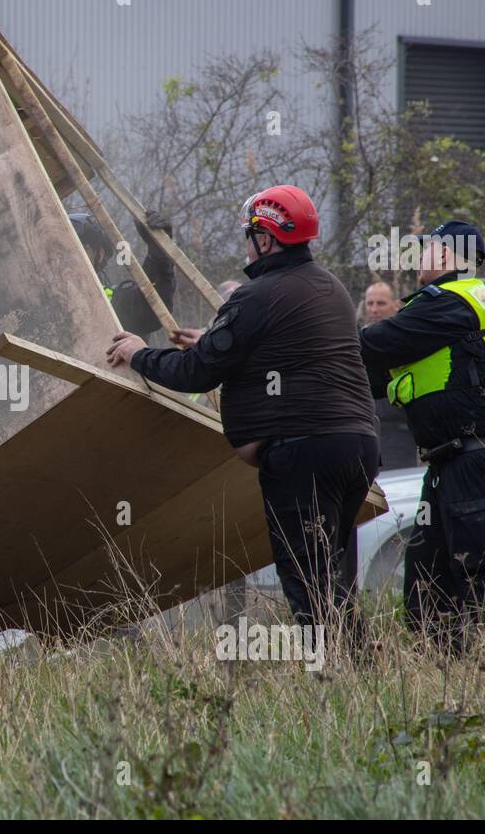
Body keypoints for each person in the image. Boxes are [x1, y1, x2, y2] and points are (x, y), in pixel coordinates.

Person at [105, 185, 378, 645]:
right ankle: (359, 665)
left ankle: (335, 675)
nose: (246, 246)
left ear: (267, 240)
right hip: (356, 448)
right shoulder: (328, 287)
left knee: (307, 582)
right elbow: (290, 351)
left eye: (250, 236)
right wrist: (214, 342)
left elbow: (196, 373)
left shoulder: (257, 295)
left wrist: (137, 354)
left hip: (302, 454)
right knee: (332, 577)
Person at [359, 220, 485, 649]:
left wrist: (312, 341)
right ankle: (442, 666)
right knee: (428, 574)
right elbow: (383, 368)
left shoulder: (450, 302)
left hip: (474, 454)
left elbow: (377, 342)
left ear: (446, 255)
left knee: (483, 566)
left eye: (425, 249)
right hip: (453, 457)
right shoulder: (459, 307)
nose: (417, 258)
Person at [70, 209, 176, 341]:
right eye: (64, 246)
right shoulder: (41, 294)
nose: (69, 253)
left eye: (80, 246)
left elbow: (151, 309)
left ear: (100, 254)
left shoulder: (115, 301)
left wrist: (159, 257)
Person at [362, 280, 417, 470]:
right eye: (370, 303)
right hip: (366, 435)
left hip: (400, 436)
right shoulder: (358, 340)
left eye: (381, 303)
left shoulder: (406, 339)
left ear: (395, 305)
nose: (374, 309)